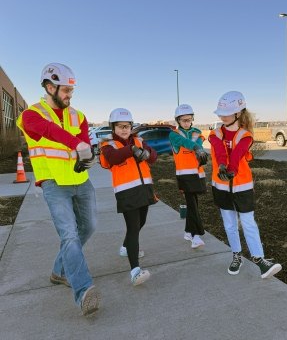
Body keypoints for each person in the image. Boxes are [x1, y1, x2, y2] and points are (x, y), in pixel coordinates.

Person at [16, 63, 100, 316]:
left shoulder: (79, 115)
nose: (69, 96)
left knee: (89, 227)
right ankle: (83, 290)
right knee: (70, 235)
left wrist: (87, 156)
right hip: (53, 183)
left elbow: (85, 142)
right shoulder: (30, 115)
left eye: (71, 92)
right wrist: (77, 144)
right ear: (50, 87)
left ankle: (58, 271)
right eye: (65, 91)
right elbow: (49, 131)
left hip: (80, 180)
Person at [208, 91, 282, 278]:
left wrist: (231, 168)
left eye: (227, 112)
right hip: (221, 186)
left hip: (242, 187)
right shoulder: (214, 133)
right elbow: (219, 150)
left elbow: (238, 153)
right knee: (230, 225)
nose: (222, 116)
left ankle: (259, 260)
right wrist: (223, 166)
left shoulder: (245, 135)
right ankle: (237, 255)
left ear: (238, 113)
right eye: (221, 112)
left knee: (248, 223)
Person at [99, 108, 157, 286]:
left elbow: (153, 156)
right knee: (133, 228)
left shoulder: (139, 140)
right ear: (113, 128)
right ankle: (135, 271)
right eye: (120, 126)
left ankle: (126, 248)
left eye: (127, 126)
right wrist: (131, 149)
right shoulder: (108, 145)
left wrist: (146, 154)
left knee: (141, 222)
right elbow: (113, 159)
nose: (124, 129)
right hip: (126, 193)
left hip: (144, 189)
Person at [169, 104, 208, 249]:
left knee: (194, 204)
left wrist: (201, 150)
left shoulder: (197, 131)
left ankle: (187, 232)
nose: (187, 122)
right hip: (184, 176)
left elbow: (198, 142)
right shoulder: (174, 134)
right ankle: (195, 236)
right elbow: (185, 143)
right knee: (192, 205)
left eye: (189, 119)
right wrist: (196, 148)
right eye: (184, 120)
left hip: (197, 174)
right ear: (178, 120)